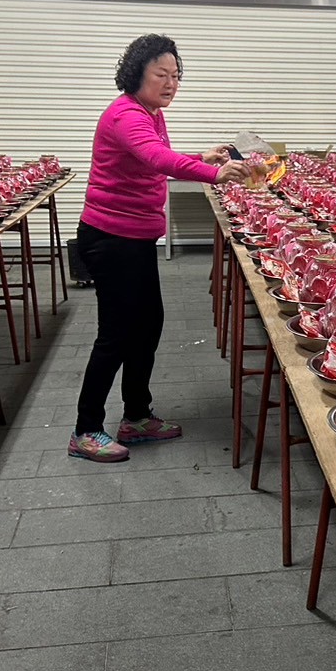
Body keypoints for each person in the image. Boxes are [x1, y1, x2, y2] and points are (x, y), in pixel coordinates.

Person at [69, 34, 251, 462]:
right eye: (161, 74)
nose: (171, 83)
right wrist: (214, 173)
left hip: (134, 239)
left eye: (176, 75)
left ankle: (136, 416)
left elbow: (154, 158)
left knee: (147, 326)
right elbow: (156, 158)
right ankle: (86, 429)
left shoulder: (150, 113)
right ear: (137, 74)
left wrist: (202, 157)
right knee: (116, 334)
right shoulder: (125, 115)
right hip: (111, 239)